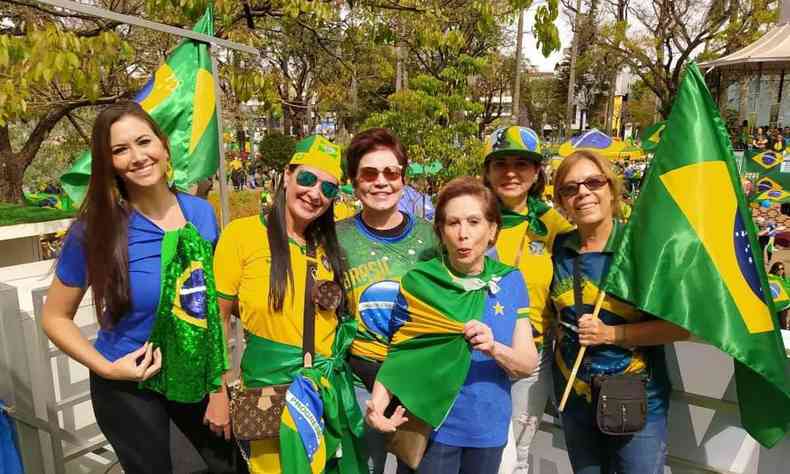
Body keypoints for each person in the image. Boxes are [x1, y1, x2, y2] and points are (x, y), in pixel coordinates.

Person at [41, 101, 245, 473]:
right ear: (110, 164)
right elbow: (55, 317)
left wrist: (219, 385)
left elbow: (210, 310)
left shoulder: (201, 214)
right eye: (120, 150)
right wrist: (107, 368)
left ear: (164, 146)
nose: (137, 157)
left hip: (194, 376)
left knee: (228, 467)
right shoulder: (96, 229)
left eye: (143, 142)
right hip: (129, 386)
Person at [212, 135, 366, 473]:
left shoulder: (329, 249)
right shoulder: (241, 235)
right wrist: (217, 392)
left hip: (324, 393)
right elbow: (218, 319)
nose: (315, 194)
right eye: (308, 179)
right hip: (270, 394)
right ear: (287, 175)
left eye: (328, 189)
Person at [366, 177, 538, 474]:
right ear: (441, 232)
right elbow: (402, 354)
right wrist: (377, 406)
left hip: (487, 429)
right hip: (430, 427)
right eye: (452, 223)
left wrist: (494, 347)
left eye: (474, 222)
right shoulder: (419, 283)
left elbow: (527, 363)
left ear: (492, 229)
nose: (463, 234)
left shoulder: (510, 281)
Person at [550, 150, 689, 474]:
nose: (582, 193)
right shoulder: (561, 247)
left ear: (611, 189)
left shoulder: (639, 248)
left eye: (593, 182)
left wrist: (613, 334)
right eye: (570, 188)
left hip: (635, 402)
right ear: (561, 201)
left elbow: (679, 327)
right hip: (574, 398)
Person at [336, 128, 439, 473]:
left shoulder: (432, 237)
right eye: (369, 173)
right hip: (359, 377)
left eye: (391, 173)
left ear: (403, 178)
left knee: (415, 466)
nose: (381, 182)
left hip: (417, 378)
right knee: (364, 467)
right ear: (353, 180)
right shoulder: (335, 237)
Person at [480, 126, 573, 474]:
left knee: (517, 458)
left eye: (522, 164)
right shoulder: (470, 216)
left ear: (536, 173)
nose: (510, 173)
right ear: (487, 171)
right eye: (500, 163)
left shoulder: (554, 226)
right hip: (471, 358)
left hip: (528, 358)